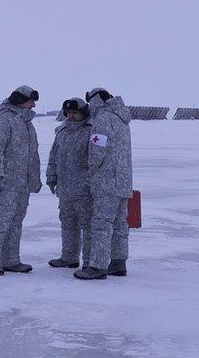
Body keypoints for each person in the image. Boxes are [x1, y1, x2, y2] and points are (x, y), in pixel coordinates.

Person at [0, 85, 43, 275]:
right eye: (31, 101)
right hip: (7, 183)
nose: (33, 105)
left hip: (23, 185)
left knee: (16, 222)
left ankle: (11, 260)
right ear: (20, 100)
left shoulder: (27, 124)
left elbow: (33, 155)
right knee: (0, 222)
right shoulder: (2, 121)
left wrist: (35, 179)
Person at [75, 87, 133, 280]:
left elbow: (97, 150)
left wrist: (92, 171)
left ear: (96, 100)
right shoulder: (122, 118)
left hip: (106, 181)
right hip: (123, 182)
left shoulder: (102, 119)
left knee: (100, 223)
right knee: (119, 224)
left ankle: (97, 266)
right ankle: (118, 263)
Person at [46, 97, 93, 269]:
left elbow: (97, 161)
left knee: (88, 227)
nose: (71, 116)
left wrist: (90, 183)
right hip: (65, 189)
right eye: (68, 113)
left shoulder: (91, 131)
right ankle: (69, 257)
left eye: (75, 113)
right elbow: (53, 156)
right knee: (67, 224)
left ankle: (90, 262)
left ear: (84, 113)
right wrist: (51, 177)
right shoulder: (62, 131)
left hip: (84, 190)